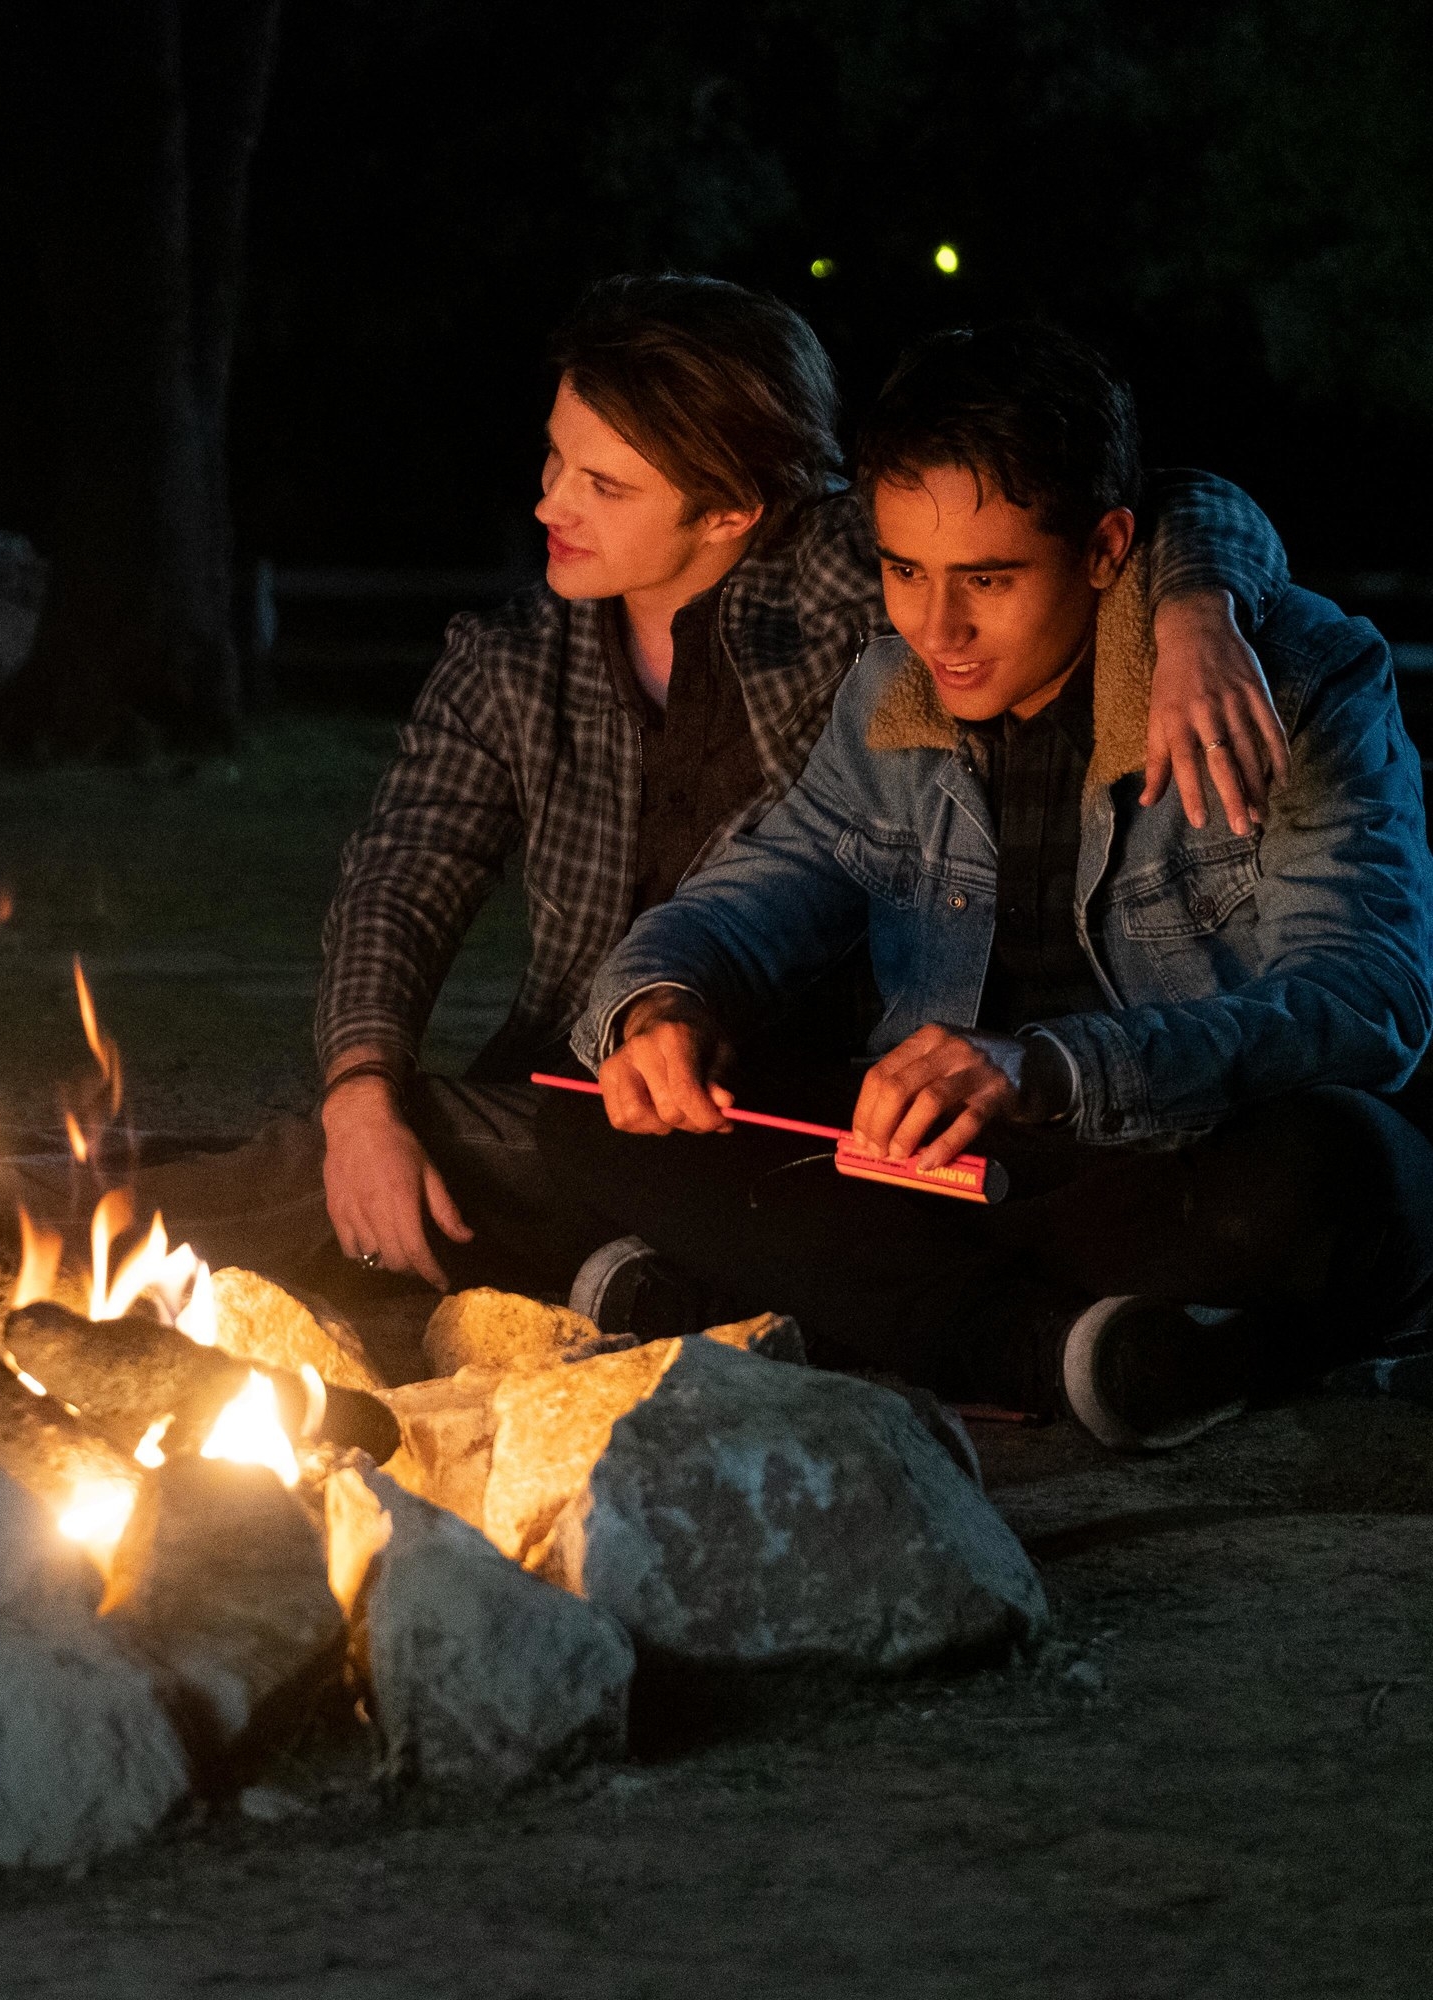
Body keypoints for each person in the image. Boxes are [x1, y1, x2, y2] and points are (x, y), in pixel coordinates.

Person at [295, 273, 1292, 1305]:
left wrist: (1197, 614)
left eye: (606, 484)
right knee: (406, 1141)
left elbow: (1158, 498)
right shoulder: (511, 658)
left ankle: (632, 1265)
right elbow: (398, 882)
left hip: (781, 1078)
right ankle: (611, 1255)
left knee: (398, 1170)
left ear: (730, 506)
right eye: (556, 457)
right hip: (598, 1071)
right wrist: (361, 1098)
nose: (550, 501)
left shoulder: (839, 581)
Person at [550, 322, 1433, 1450]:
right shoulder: (892, 686)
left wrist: (1057, 1065)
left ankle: (813, 1306)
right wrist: (663, 1000)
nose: (936, 624)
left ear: (1109, 547)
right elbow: (764, 883)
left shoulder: (1297, 678)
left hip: (1180, 1164)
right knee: (593, 1109)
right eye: (902, 569)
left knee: (1340, 1174)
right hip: (955, 1172)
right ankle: (1074, 1350)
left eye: (990, 579)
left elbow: (1369, 1003)